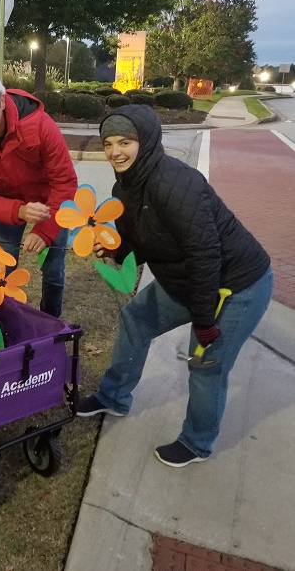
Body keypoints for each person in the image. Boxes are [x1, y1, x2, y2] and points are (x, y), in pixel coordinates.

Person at [77, 105, 273, 468]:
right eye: (108, 143)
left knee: (206, 363)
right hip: (187, 281)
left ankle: (197, 443)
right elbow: (141, 238)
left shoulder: (175, 182)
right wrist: (117, 247)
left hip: (237, 286)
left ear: (147, 141)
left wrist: (203, 321)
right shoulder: (125, 186)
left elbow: (205, 254)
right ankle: (113, 396)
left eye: (126, 141)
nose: (115, 151)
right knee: (136, 320)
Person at [0, 69, 78, 318]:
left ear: (1, 101)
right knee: (1, 268)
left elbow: (64, 182)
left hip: (50, 199)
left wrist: (45, 230)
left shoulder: (41, 125)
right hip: (8, 198)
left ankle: (51, 322)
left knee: (53, 269)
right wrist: (18, 210)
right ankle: (0, 321)